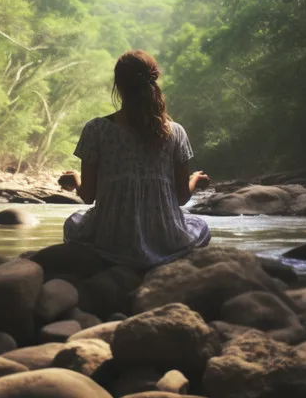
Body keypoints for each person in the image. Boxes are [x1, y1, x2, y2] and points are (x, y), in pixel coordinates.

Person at [62, 49, 211, 269]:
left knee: (72, 223)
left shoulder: (96, 129)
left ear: (118, 87)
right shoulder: (176, 132)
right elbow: (181, 198)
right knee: (201, 226)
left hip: (110, 240)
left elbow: (88, 197)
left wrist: (75, 180)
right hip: (166, 240)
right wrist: (195, 181)